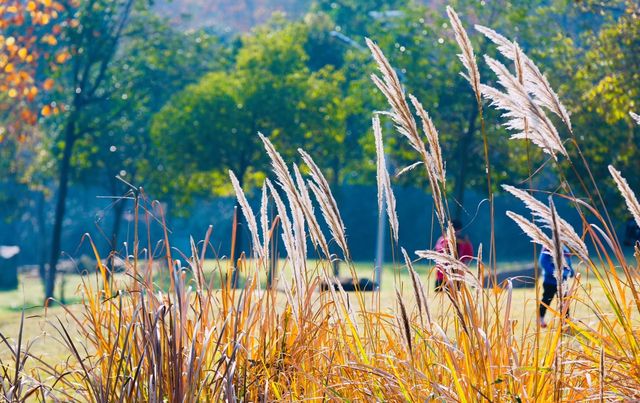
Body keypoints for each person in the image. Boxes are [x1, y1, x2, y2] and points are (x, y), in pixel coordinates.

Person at [538, 246, 575, 328]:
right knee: (546, 300)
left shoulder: (565, 249)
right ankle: (540, 319)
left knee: (565, 302)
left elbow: (568, 264)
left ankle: (565, 321)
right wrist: (557, 273)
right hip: (549, 281)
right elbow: (543, 262)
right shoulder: (548, 246)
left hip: (563, 283)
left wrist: (571, 271)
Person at [434, 219, 474, 292]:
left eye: (457, 230)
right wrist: (452, 242)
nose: (456, 232)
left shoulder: (464, 242)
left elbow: (469, 257)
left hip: (458, 278)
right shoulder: (443, 240)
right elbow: (440, 252)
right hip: (443, 278)